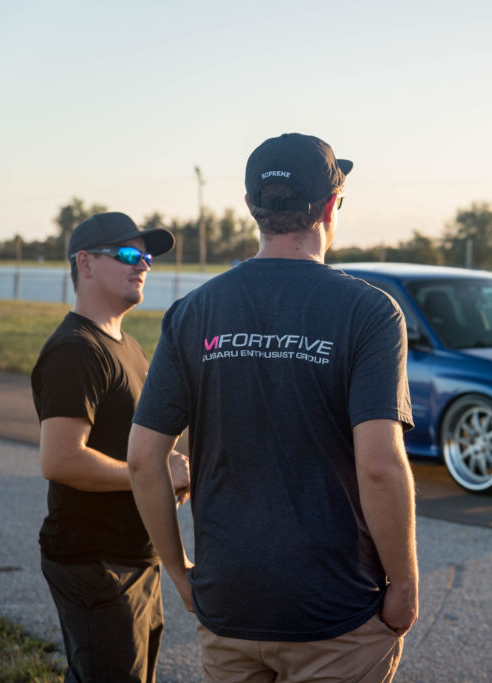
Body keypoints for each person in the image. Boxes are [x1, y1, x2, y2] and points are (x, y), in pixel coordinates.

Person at [127, 133, 418, 682]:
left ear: (251, 209)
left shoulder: (193, 312)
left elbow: (143, 459)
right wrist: (403, 585)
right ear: (332, 207)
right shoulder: (370, 312)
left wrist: (180, 573)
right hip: (335, 614)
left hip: (229, 605)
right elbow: (380, 465)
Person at [32, 211, 188, 682]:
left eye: (145, 257)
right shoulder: (76, 349)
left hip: (135, 557)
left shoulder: (128, 346)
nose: (142, 264)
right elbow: (60, 459)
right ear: (85, 263)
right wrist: (150, 475)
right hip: (95, 563)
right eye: (127, 254)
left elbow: (137, 446)